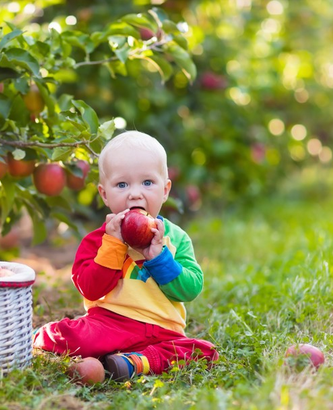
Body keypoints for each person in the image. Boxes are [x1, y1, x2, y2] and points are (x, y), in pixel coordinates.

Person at [33, 130, 218, 381]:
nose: (134, 193)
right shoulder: (98, 241)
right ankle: (38, 335)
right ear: (104, 194)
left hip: (163, 330)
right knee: (72, 335)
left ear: (165, 190)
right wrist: (114, 245)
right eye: (122, 184)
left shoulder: (176, 239)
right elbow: (90, 289)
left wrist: (159, 257)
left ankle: (133, 363)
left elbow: (190, 288)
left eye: (147, 183)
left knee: (203, 351)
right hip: (111, 325)